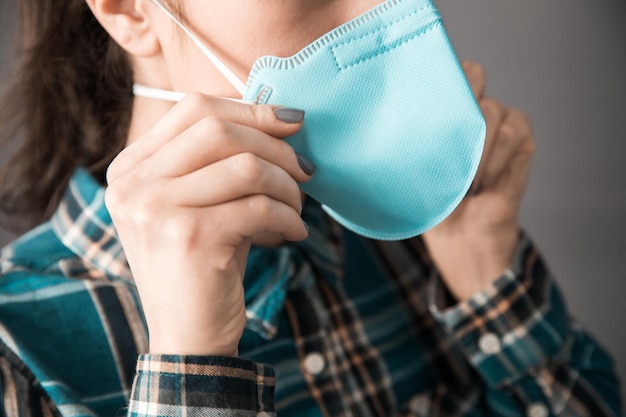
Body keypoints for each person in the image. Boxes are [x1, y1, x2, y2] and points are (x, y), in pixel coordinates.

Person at [0, 0, 621, 415]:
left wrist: (488, 281)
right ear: (131, 8)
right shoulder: (16, 351)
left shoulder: (413, 241)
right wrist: (192, 362)